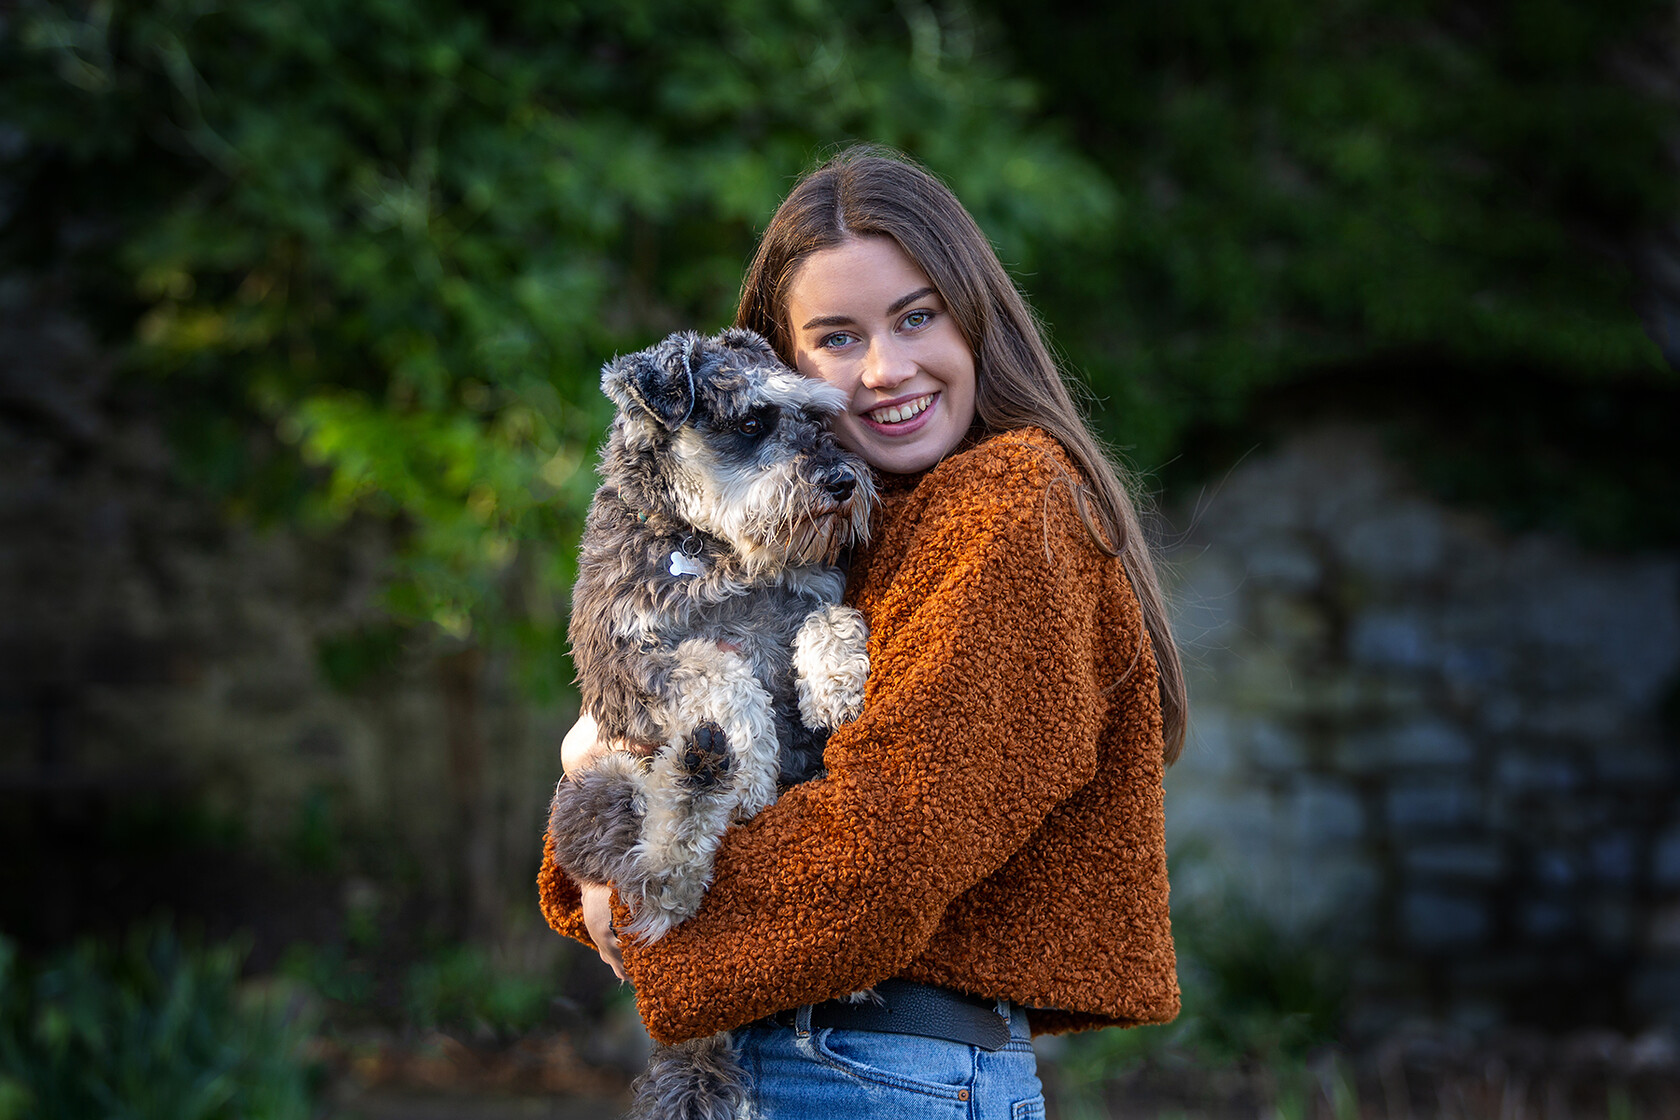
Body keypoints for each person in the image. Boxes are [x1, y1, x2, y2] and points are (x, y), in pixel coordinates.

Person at [538, 145, 1187, 1118]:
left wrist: (637, 897)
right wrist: (596, 776)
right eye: (837, 338)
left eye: (916, 316)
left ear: (976, 317)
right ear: (780, 363)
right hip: (815, 1057)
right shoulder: (831, 533)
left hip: (871, 1068)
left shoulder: (1012, 499)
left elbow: (893, 838)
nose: (886, 369)